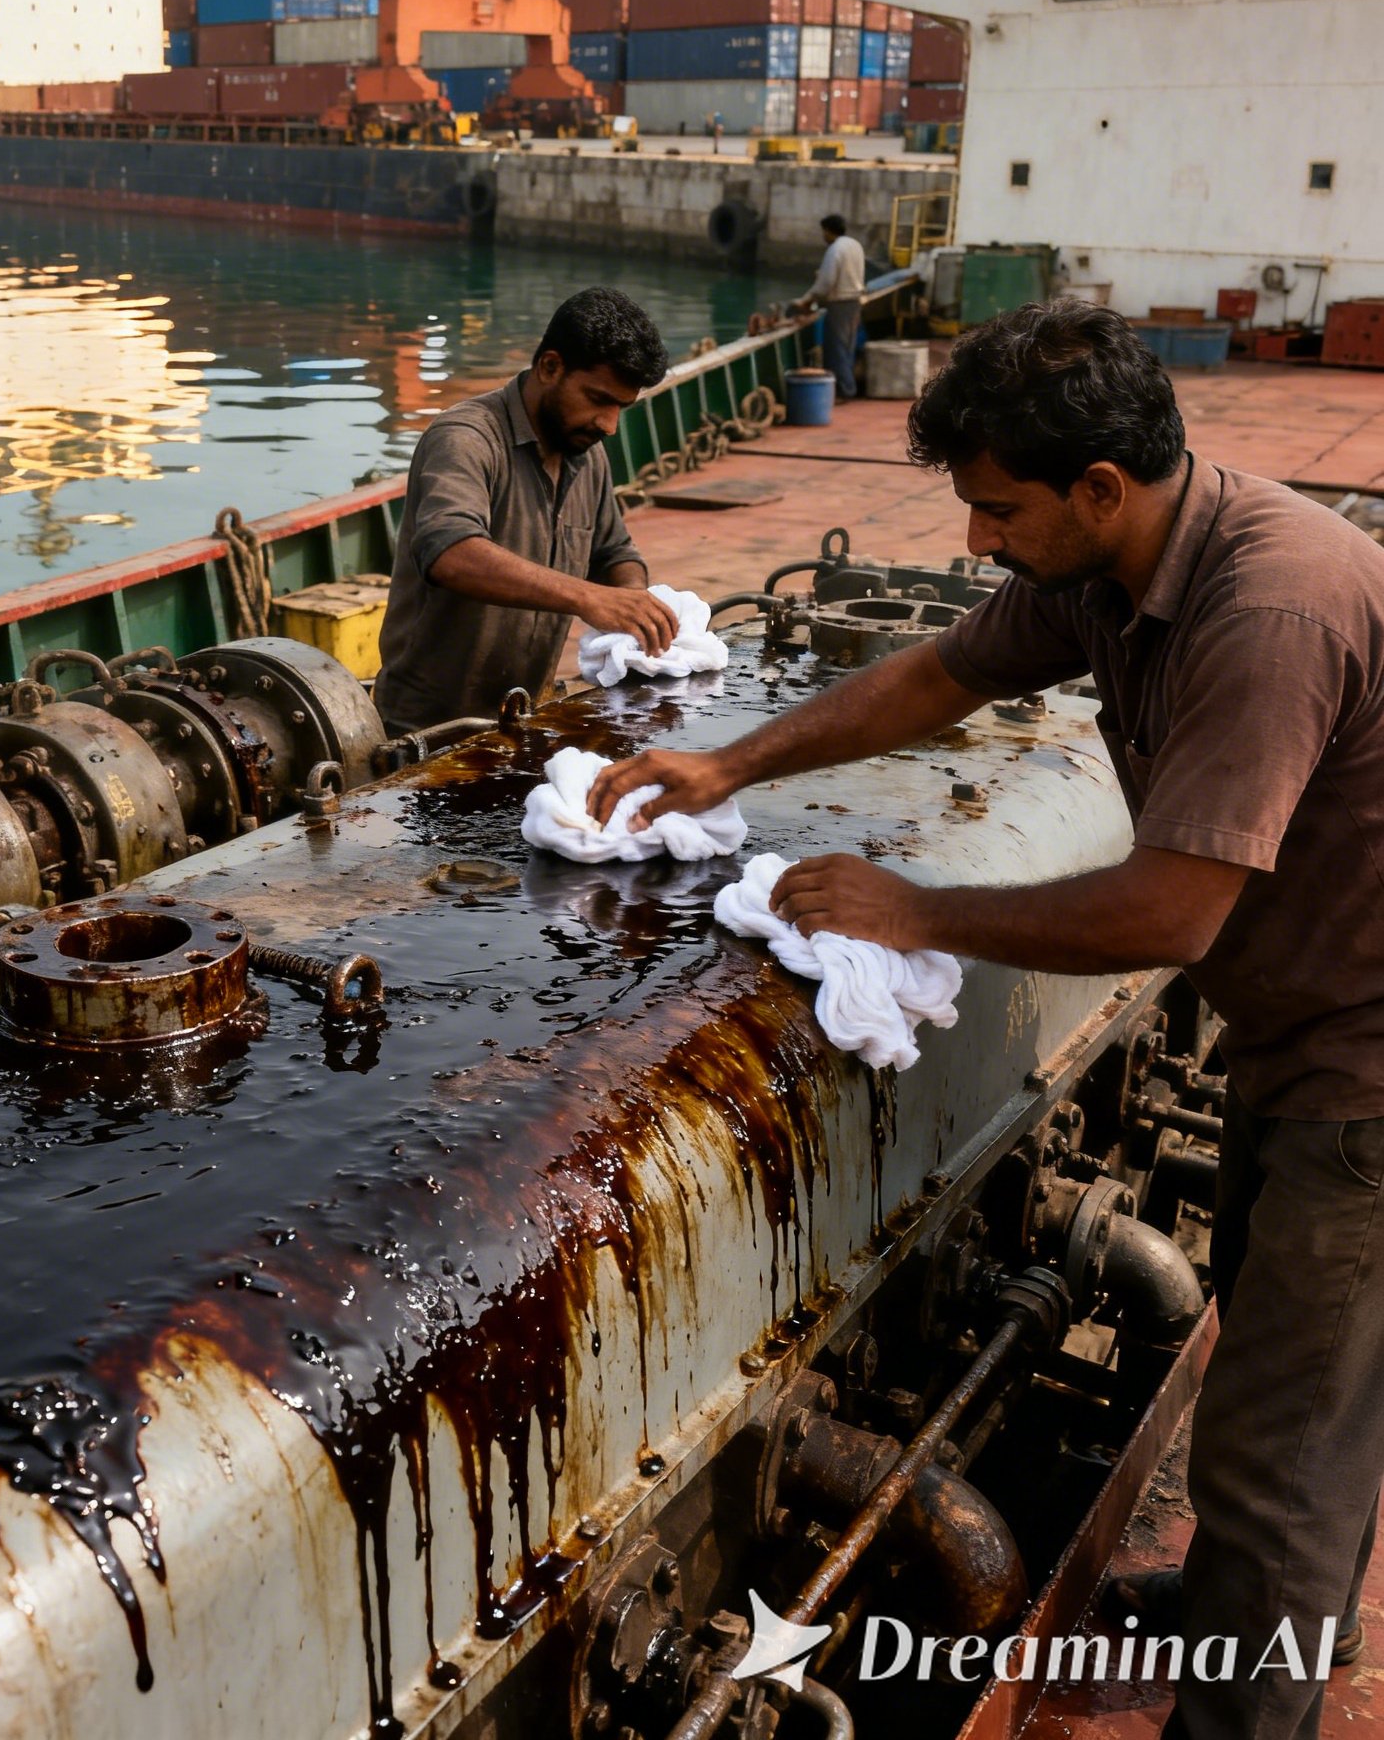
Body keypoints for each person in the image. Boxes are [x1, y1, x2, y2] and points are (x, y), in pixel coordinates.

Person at [587, 299, 1384, 1740]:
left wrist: (916, 910)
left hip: (1365, 1067)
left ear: (1100, 487)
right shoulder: (1107, 567)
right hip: (1296, 1027)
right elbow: (939, 675)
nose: (975, 539)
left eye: (998, 510)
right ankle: (1239, 1605)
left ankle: (1249, 1679)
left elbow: (1170, 913)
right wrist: (727, 766)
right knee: (1288, 1382)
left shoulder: (1267, 610)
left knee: (1291, 1448)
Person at [372, 286, 680, 736]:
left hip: (521, 719)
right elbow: (451, 553)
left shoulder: (587, 454)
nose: (610, 425)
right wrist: (589, 598)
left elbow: (614, 553)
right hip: (428, 729)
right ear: (550, 367)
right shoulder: (466, 438)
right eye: (598, 399)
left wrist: (632, 605)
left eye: (622, 407)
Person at [792, 212, 866, 399]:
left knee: (836, 348)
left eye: (823, 231)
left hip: (839, 304)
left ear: (827, 230)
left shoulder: (835, 249)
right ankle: (848, 387)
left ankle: (844, 390)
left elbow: (825, 283)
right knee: (848, 347)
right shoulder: (855, 245)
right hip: (855, 302)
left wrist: (807, 299)